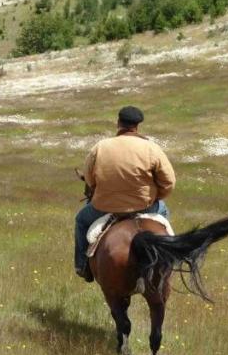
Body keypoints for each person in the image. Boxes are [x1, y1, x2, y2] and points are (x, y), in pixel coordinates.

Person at [74, 106, 175, 281]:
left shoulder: (100, 147)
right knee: (164, 212)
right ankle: (169, 258)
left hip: (105, 207)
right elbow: (169, 182)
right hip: (145, 206)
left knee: (81, 220)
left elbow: (90, 180)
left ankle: (82, 265)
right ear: (137, 126)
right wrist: (157, 197)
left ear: (118, 123)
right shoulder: (151, 148)